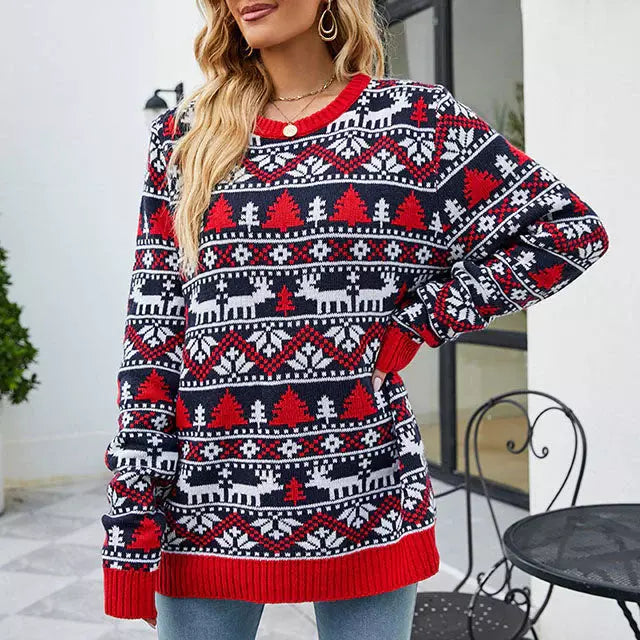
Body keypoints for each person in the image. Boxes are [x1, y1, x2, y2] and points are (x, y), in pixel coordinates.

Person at [100, 0, 610, 638]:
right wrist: (131, 529)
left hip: (369, 499)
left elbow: (566, 231)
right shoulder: (186, 136)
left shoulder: (417, 123)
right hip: (202, 508)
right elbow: (153, 338)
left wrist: (419, 320)